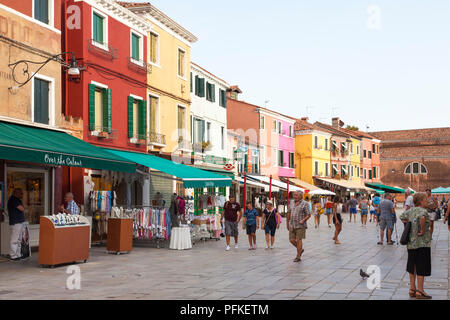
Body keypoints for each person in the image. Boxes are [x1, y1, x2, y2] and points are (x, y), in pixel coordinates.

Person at [400, 193, 432, 299]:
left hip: (411, 243)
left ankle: (412, 289)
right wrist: (422, 230)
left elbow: (402, 217)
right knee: (421, 266)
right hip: (422, 243)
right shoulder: (423, 211)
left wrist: (410, 225)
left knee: (412, 265)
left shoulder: (410, 211)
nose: (427, 201)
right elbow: (422, 218)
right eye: (425, 200)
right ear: (421, 201)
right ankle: (420, 290)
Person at [286, 190, 311, 262]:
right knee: (291, 240)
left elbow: (308, 215)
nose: (294, 196)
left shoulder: (305, 204)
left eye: (296, 195)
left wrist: (303, 220)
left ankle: (298, 256)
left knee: (299, 240)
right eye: (294, 195)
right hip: (292, 224)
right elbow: (289, 213)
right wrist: (287, 223)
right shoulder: (291, 203)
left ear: (300, 196)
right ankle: (300, 249)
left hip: (300, 225)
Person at [7, 189, 26, 261]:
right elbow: (22, 208)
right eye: (20, 193)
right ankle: (13, 255)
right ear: (16, 193)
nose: (22, 195)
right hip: (16, 222)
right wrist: (23, 202)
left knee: (19, 239)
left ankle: (18, 254)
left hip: (19, 222)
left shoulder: (17, 200)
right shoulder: (13, 199)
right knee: (14, 239)